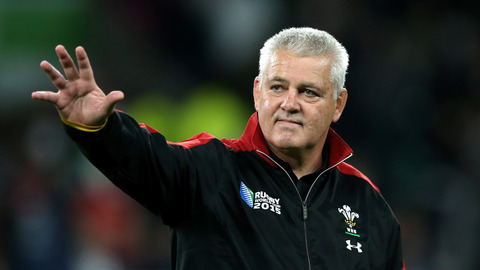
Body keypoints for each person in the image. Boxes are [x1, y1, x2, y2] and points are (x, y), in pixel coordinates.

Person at [32, 27, 406, 269]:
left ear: (337, 104)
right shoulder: (211, 169)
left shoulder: (366, 203)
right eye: (278, 87)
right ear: (258, 92)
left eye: (308, 92)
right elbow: (145, 157)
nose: (289, 103)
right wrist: (99, 127)